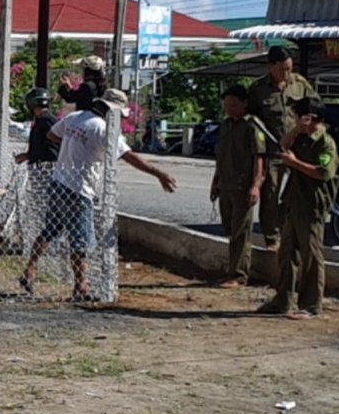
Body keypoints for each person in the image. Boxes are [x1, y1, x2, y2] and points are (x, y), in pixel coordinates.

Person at [19, 89, 176, 300]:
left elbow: (52, 135)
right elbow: (128, 156)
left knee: (50, 230)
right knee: (80, 239)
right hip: (79, 189)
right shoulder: (102, 129)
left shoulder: (75, 117)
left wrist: (73, 147)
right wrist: (158, 173)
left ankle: (30, 269)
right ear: (111, 111)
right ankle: (80, 286)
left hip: (59, 182)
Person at [258, 97, 339, 320]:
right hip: (293, 202)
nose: (294, 120)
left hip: (312, 205)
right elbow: (283, 147)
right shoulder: (300, 138)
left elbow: (323, 172)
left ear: (310, 118)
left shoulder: (325, 143)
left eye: (297, 117)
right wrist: (295, 130)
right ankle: (283, 299)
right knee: (287, 254)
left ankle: (311, 305)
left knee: (311, 256)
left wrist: (294, 163)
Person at [247, 46, 320, 253]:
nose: (286, 73)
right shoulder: (258, 89)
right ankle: (272, 237)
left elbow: (315, 106)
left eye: (289, 68)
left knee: (298, 191)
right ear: (270, 67)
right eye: (281, 69)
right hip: (274, 150)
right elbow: (252, 120)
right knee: (270, 193)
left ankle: (290, 227)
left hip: (298, 149)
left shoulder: (300, 83)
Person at [210, 85, 267, 288]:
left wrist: (256, 185)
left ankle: (239, 274)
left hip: (243, 187)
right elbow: (221, 157)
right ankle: (231, 270)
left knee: (240, 232)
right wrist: (215, 182)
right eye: (226, 105)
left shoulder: (252, 125)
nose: (229, 109)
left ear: (244, 104)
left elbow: (259, 158)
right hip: (225, 184)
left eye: (233, 105)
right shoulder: (226, 125)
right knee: (229, 229)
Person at [15, 87, 59, 167]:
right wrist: (28, 156)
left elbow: (49, 147)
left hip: (47, 165)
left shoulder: (46, 120)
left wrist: (30, 156)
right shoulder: (42, 119)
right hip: (40, 164)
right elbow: (40, 145)